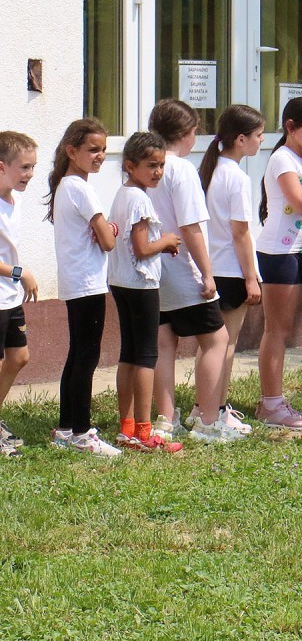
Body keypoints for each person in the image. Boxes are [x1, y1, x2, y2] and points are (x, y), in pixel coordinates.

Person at [147, 99, 234, 444]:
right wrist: (207, 273)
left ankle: (165, 418)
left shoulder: (146, 165)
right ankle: (208, 421)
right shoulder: (181, 169)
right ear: (186, 133)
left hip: (152, 270)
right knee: (216, 339)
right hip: (183, 268)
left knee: (163, 342)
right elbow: (191, 226)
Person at [43, 118, 122, 456]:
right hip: (88, 283)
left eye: (103, 149)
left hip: (75, 280)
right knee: (86, 356)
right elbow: (108, 242)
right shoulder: (81, 188)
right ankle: (81, 432)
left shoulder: (65, 185)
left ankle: (66, 428)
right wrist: (111, 229)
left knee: (77, 353)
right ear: (71, 151)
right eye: (92, 149)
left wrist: (105, 229)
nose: (100, 155)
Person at [108, 132, 183, 453]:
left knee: (129, 353)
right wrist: (165, 241)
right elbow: (141, 248)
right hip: (141, 284)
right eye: (151, 165)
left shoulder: (123, 194)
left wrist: (159, 244)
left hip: (121, 281)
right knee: (146, 357)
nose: (158, 172)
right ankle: (143, 431)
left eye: (161, 165)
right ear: (130, 165)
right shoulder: (139, 199)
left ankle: (127, 428)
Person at [254, 96, 302, 430]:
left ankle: (275, 401)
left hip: (293, 252)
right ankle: (271, 405)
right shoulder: (284, 159)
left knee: (283, 329)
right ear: (291, 127)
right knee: (276, 330)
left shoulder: (299, 159)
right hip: (278, 254)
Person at [199, 104, 266, 440]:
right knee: (226, 345)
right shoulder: (237, 178)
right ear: (241, 139)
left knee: (211, 345)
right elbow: (241, 233)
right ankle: (217, 408)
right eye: (258, 135)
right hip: (232, 270)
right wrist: (251, 277)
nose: (261, 140)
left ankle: (204, 407)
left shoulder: (210, 171)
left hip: (213, 267)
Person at [0, 132, 39, 456]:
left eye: (33, 167)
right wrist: (19, 272)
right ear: (1, 167)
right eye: (24, 167)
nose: (30, 174)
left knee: (19, 357)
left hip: (9, 297)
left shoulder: (16, 200)